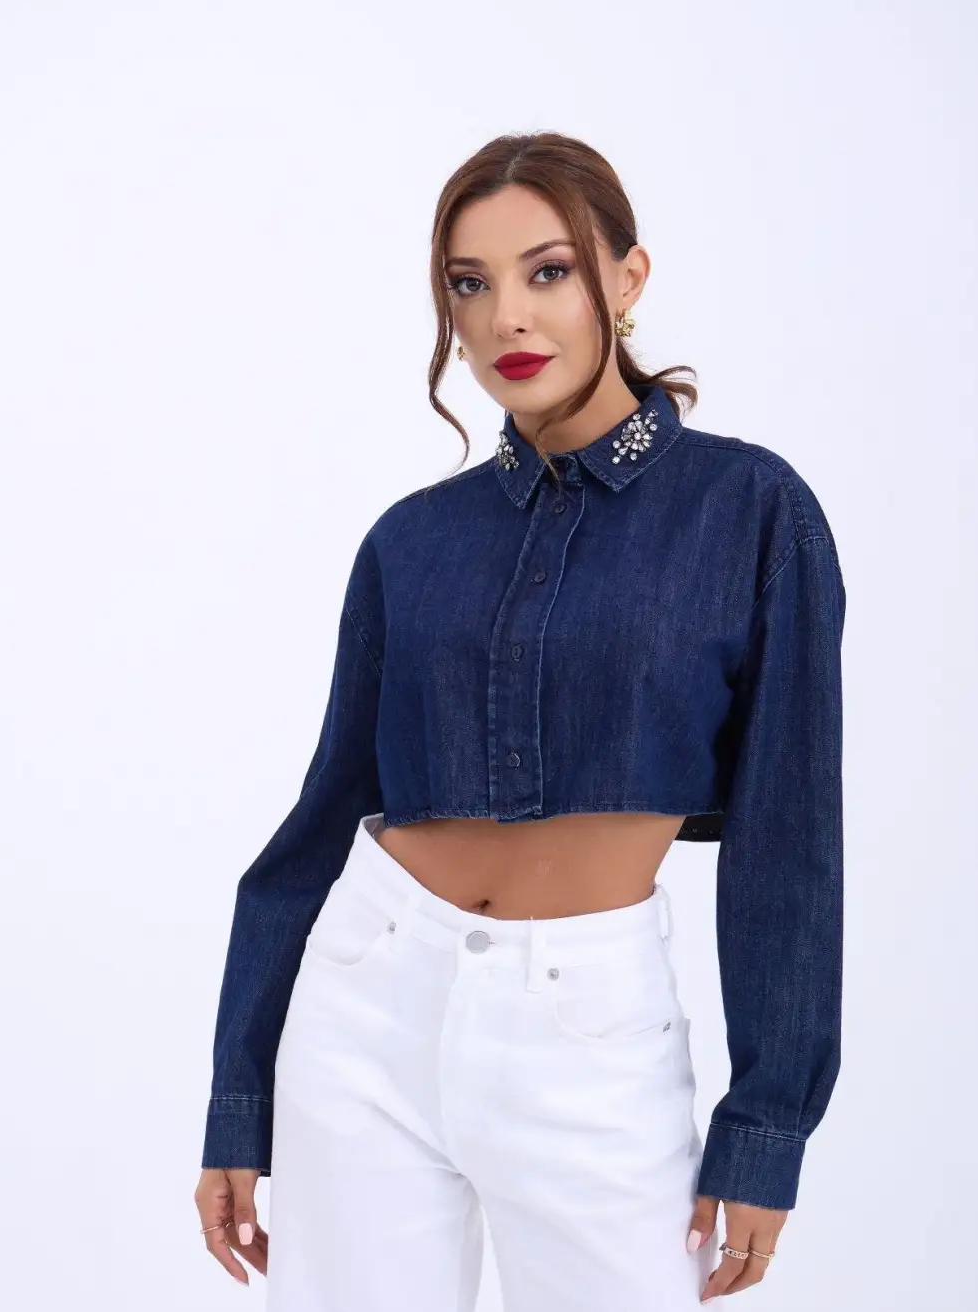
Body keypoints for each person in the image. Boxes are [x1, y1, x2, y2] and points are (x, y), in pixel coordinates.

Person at [194, 130, 846, 1310]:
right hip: (363, 1012)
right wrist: (237, 1099)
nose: (506, 317)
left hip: (589, 1037)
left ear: (626, 278)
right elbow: (322, 823)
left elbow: (787, 840)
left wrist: (766, 1128)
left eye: (547, 271)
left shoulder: (749, 511)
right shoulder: (411, 541)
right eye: (469, 282)